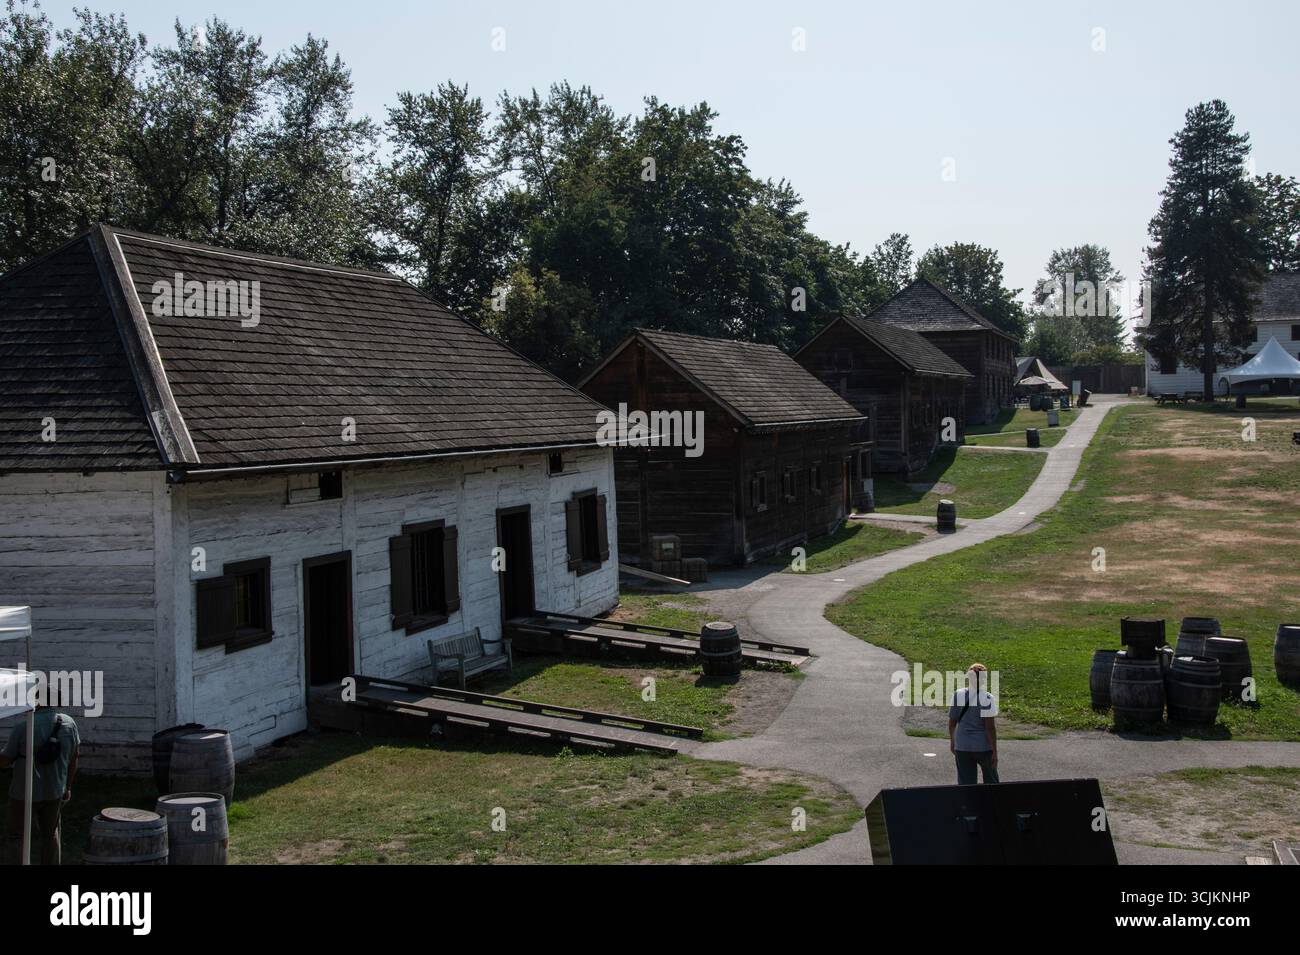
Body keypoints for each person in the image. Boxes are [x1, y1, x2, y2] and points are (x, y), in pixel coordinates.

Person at [0, 704, 79, 865]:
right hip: (55, 790)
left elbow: (4, 761)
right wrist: (68, 787)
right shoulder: (69, 723)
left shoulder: (23, 727)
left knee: (16, 835)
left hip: (23, 792)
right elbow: (74, 757)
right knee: (50, 834)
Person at [947, 663, 998, 785]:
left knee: (966, 783)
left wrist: (953, 741)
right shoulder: (987, 698)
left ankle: (967, 803)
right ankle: (993, 803)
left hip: (962, 744)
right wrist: (995, 751)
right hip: (983, 746)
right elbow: (990, 728)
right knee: (991, 780)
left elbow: (952, 722)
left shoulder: (958, 694)